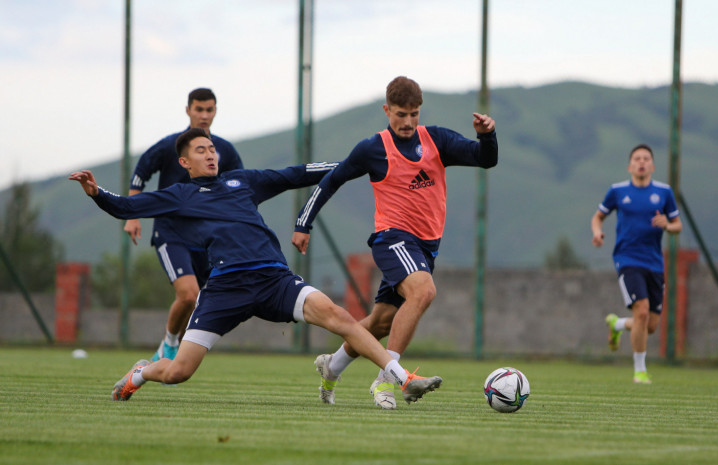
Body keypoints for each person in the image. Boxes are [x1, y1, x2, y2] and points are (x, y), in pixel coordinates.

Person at [69, 128, 442, 405]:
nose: (211, 154)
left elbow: (295, 174)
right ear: (185, 162)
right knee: (177, 372)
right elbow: (127, 208)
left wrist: (352, 166)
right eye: (201, 151)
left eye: (212, 148)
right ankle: (141, 371)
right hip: (225, 288)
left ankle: (400, 377)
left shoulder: (241, 181)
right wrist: (96, 193)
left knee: (339, 315)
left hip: (273, 279)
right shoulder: (180, 195)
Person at [291, 76, 497, 409]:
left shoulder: (437, 140)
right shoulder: (373, 148)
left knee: (380, 322)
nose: (408, 121)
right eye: (401, 114)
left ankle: (333, 366)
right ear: (387, 110)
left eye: (414, 114)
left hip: (426, 249)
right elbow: (333, 180)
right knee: (423, 291)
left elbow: (485, 159)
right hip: (393, 239)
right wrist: (304, 222)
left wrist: (487, 136)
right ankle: (389, 380)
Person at [125, 88, 244, 363]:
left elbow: (240, 188)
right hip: (171, 233)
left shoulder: (223, 150)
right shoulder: (171, 145)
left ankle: (173, 350)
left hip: (207, 238)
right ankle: (169, 345)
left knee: (202, 301)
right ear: (188, 110)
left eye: (209, 109)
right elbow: (140, 174)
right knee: (189, 294)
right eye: (199, 109)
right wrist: (132, 216)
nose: (204, 115)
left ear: (215, 112)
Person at [590, 143, 682, 384]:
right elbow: (598, 216)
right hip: (627, 259)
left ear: (652, 165)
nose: (641, 162)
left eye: (646, 158)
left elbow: (677, 225)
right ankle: (640, 371)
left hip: (654, 263)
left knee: (650, 325)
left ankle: (618, 324)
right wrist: (597, 232)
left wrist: (667, 225)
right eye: (637, 158)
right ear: (630, 165)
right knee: (641, 310)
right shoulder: (618, 191)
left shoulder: (664, 192)